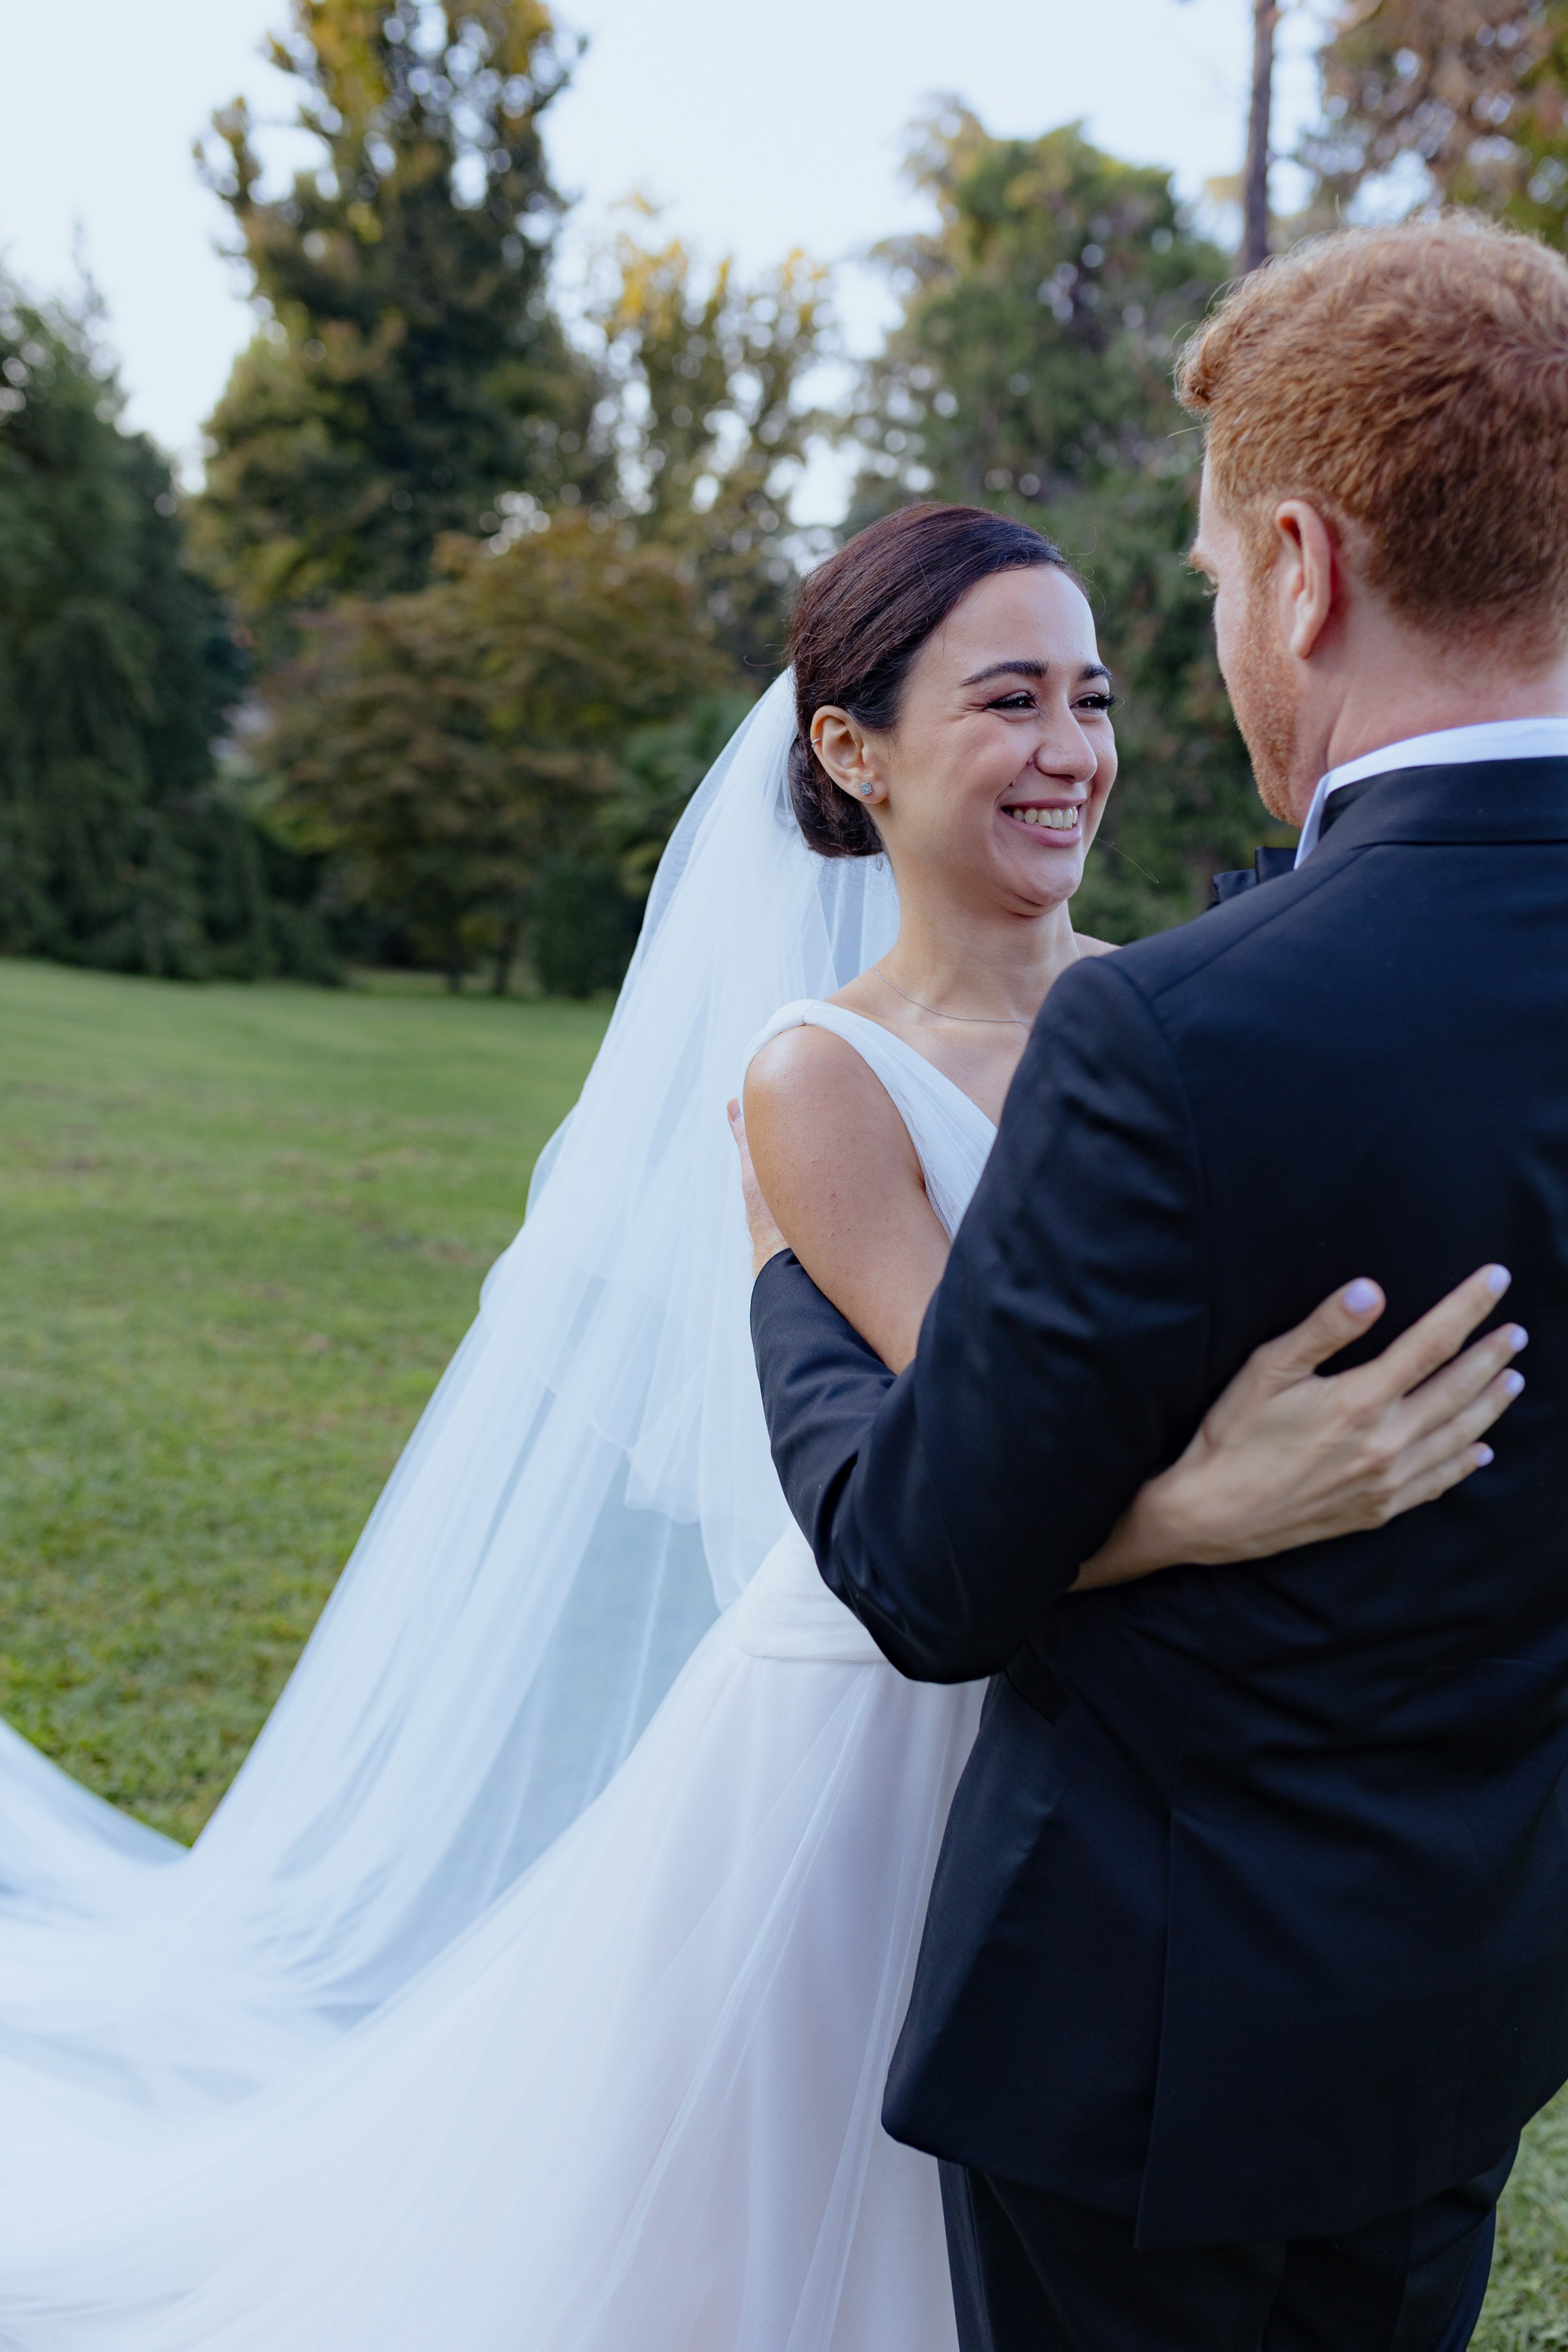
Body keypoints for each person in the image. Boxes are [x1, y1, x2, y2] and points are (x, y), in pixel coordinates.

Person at [0, 524, 1513, 2344]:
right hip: (878, 1734)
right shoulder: (822, 1076)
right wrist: (1207, 1503)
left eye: (1094, 700)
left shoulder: (1181, 1007)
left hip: (1117, 1743)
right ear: (852, 750)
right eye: (1011, 700)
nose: (1073, 751)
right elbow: (996, 1474)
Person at [747, 215, 1568, 2351]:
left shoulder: (1178, 1032)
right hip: (1473, 2003)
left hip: (1153, 2060)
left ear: (1302, 565)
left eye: (1195, 597)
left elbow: (929, 1571)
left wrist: (785, 1289)